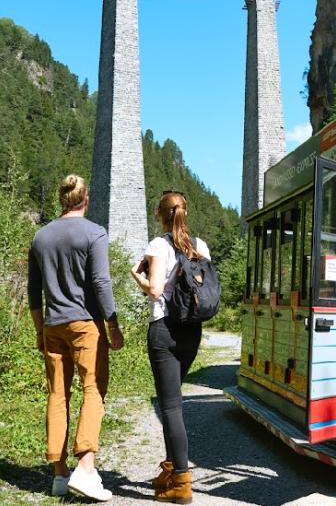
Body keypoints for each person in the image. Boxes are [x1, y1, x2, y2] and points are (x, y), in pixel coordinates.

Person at [28, 174, 124, 502]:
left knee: (57, 394)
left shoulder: (41, 237)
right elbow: (101, 282)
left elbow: (33, 292)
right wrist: (112, 324)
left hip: (53, 325)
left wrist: (40, 330)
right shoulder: (94, 233)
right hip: (85, 325)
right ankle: (85, 467)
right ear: (86, 200)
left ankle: (59, 474)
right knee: (93, 389)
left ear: (62, 199)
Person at [130, 191, 210, 504]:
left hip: (164, 328)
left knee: (171, 406)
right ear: (185, 213)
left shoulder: (158, 245)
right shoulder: (200, 246)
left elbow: (156, 291)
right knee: (173, 403)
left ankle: (181, 482)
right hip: (192, 331)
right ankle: (170, 469)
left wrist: (138, 276)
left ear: (160, 215)